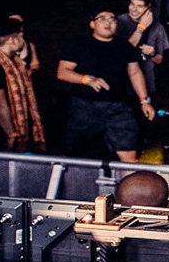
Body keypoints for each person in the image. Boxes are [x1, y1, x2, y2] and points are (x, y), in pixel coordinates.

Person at [58, 9, 156, 161]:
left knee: (128, 150)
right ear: (92, 24)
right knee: (73, 153)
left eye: (112, 19)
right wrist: (87, 79)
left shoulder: (124, 46)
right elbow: (63, 72)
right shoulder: (78, 44)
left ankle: (129, 175)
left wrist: (144, 101)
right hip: (84, 107)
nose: (108, 23)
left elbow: (135, 73)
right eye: (102, 19)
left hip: (117, 106)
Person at [0, 17, 45, 151]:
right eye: (20, 36)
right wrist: (10, 133)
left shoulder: (15, 62)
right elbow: (0, 104)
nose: (23, 40)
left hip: (18, 128)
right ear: (12, 40)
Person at [119, 0, 168, 97]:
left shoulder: (158, 28)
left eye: (140, 6)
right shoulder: (119, 22)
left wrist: (153, 53)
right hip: (122, 82)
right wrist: (141, 28)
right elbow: (122, 52)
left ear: (149, 9)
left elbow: (159, 59)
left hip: (147, 83)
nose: (133, 9)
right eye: (132, 4)